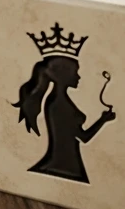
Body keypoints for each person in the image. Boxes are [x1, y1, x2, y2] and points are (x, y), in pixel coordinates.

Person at [12, 54, 115, 183]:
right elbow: (84, 137)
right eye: (75, 72)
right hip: (64, 163)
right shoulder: (58, 104)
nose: (78, 77)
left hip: (68, 160)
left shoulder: (58, 100)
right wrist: (103, 120)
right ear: (63, 75)